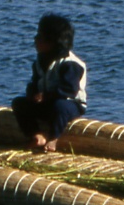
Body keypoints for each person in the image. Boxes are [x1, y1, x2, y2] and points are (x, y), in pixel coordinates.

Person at [11, 14, 87, 152]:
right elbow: (35, 81)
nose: (35, 39)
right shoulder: (40, 61)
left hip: (70, 104)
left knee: (60, 106)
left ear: (52, 42)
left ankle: (54, 138)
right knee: (19, 103)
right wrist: (32, 92)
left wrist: (45, 96)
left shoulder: (71, 64)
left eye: (39, 36)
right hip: (46, 103)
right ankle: (37, 135)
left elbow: (69, 90)